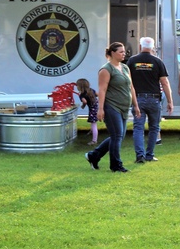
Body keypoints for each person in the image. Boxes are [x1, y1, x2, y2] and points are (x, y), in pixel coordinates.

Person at [85, 42, 139, 173]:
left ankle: (94, 155)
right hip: (111, 106)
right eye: (121, 52)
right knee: (117, 135)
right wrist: (101, 109)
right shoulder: (106, 69)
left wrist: (136, 105)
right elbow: (102, 90)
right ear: (112, 53)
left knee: (118, 136)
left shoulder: (125, 67)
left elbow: (131, 87)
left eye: (124, 51)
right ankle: (116, 165)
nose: (123, 54)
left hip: (124, 106)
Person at [127, 37, 174, 164]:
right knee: (154, 127)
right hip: (154, 99)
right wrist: (170, 101)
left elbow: (127, 81)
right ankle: (149, 155)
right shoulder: (157, 61)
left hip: (138, 99)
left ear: (140, 45)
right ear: (153, 47)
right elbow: (164, 82)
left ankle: (139, 156)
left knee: (138, 128)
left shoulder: (132, 61)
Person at [75, 78, 99, 145]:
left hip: (93, 110)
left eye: (77, 85)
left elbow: (85, 101)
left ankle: (94, 141)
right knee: (93, 122)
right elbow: (98, 94)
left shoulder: (82, 95)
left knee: (93, 123)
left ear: (80, 86)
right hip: (98, 108)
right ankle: (92, 131)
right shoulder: (92, 90)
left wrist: (83, 106)